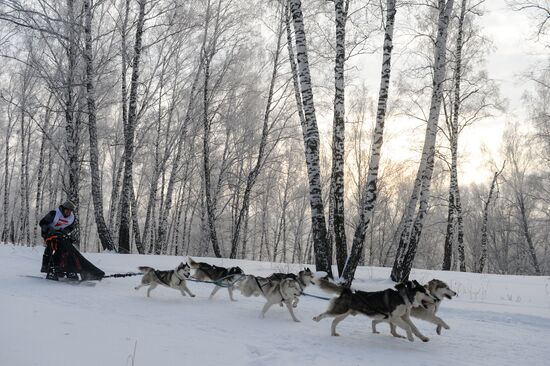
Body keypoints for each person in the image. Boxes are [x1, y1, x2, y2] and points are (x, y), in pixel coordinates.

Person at [39, 200, 104, 281]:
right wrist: (49, 230)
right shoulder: (53, 214)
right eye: (67, 210)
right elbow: (42, 223)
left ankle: (66, 268)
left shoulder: (72, 218)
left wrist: (64, 231)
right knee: (52, 246)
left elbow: (70, 227)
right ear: (63, 209)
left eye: (70, 211)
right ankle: (48, 267)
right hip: (48, 233)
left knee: (66, 249)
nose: (69, 212)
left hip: (60, 235)